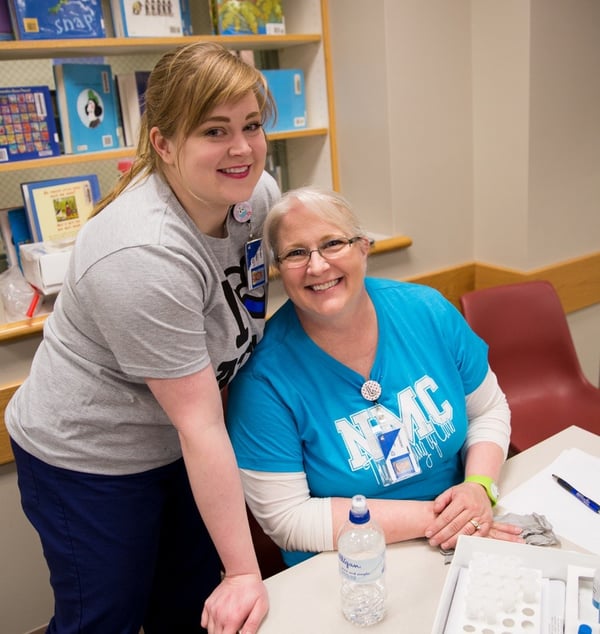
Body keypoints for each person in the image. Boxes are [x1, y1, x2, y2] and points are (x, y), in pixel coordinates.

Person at [6, 42, 280, 634]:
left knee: (190, 607)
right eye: (214, 130)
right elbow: (200, 423)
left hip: (181, 442)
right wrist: (242, 573)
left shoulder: (254, 195)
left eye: (251, 125)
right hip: (90, 457)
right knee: (104, 619)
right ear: (163, 144)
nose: (241, 148)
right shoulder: (142, 252)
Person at [226, 187, 524, 568]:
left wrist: (479, 487)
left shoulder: (427, 311)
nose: (317, 266)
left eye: (333, 243)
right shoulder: (263, 378)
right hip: (349, 565)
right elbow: (289, 519)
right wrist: (443, 519)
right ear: (278, 269)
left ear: (364, 247)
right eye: (296, 253)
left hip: (462, 531)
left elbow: (488, 410)